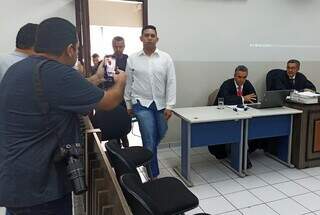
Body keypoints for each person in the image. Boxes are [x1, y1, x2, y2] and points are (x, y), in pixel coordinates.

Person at [0, 17, 126, 214]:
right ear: (70, 49)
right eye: (76, 47)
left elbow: (66, 92)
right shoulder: (56, 72)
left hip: (16, 179)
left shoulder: (19, 69)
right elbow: (109, 101)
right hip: (40, 186)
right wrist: (122, 82)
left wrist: (98, 77)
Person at [125, 25, 176, 178]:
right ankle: (153, 174)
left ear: (157, 39)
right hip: (141, 103)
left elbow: (171, 82)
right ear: (141, 38)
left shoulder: (166, 58)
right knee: (148, 138)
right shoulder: (132, 58)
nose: (149, 38)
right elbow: (129, 82)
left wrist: (170, 105)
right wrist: (128, 103)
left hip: (161, 104)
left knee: (160, 132)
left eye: (152, 35)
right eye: (146, 35)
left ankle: (147, 154)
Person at [209, 65, 257, 168]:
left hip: (241, 115)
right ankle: (238, 157)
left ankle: (241, 154)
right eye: (239, 77)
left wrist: (244, 100)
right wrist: (243, 98)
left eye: (244, 77)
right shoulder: (227, 84)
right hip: (222, 116)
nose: (242, 80)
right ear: (234, 76)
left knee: (250, 129)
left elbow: (254, 98)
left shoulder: (247, 84)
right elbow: (225, 99)